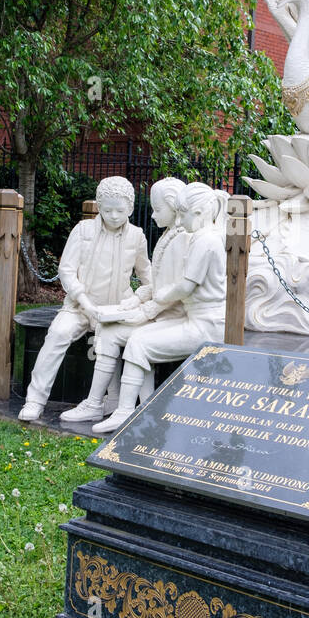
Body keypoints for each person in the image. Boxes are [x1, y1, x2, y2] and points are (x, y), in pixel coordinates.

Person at [92, 181, 228, 435]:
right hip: (196, 320)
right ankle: (133, 409)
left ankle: (127, 412)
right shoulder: (198, 238)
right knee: (139, 338)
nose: (179, 218)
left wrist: (160, 295)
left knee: (140, 342)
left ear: (198, 214)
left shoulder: (204, 241)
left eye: (182, 213)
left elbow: (185, 286)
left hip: (206, 326)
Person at [17, 177, 151, 422]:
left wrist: (137, 299)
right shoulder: (83, 230)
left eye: (120, 210)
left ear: (130, 208)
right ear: (99, 206)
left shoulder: (137, 236)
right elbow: (66, 271)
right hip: (79, 307)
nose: (113, 215)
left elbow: (147, 276)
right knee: (57, 334)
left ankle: (112, 402)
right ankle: (35, 400)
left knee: (116, 339)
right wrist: (85, 303)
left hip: (116, 310)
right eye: (107, 209)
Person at [59, 176, 188, 424]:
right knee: (108, 332)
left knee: (121, 335)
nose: (151, 215)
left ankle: (124, 408)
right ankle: (98, 403)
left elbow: (177, 291)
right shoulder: (169, 237)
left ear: (174, 207)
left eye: (157, 209)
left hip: (172, 317)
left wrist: (144, 310)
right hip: (159, 311)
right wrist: (137, 299)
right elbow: (157, 283)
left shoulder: (181, 240)